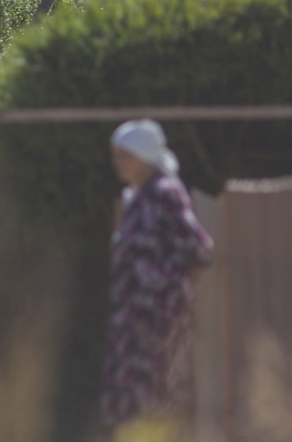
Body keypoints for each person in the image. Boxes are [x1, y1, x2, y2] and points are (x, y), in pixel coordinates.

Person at [102, 119, 214, 442]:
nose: (118, 163)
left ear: (144, 156)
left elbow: (199, 249)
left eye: (125, 155)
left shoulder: (165, 193)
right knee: (131, 400)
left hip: (158, 320)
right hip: (133, 319)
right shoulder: (134, 197)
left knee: (157, 395)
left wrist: (173, 301)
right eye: (116, 155)